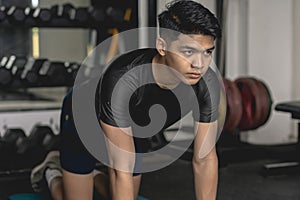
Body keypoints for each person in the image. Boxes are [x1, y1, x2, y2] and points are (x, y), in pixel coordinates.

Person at [31, 0, 222, 199]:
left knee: (119, 192)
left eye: (207, 52)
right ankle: (51, 171)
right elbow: (120, 171)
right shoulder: (124, 79)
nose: (199, 64)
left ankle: (95, 176)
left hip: (133, 125)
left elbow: (206, 159)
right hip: (85, 114)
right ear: (162, 46)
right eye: (188, 51)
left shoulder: (206, 84)